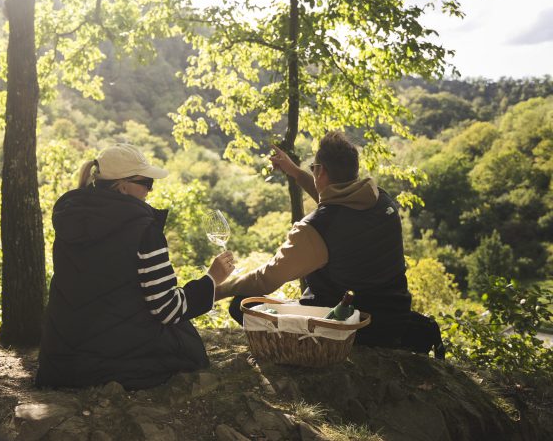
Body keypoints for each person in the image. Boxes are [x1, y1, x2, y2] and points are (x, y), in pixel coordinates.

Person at [216, 131, 440, 353]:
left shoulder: (316, 229)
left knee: (243, 304)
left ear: (321, 171)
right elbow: (336, 205)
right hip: (393, 321)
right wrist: (296, 172)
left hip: (346, 325)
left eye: (314, 168)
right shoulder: (381, 201)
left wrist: (214, 291)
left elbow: (265, 279)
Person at [36, 143, 236, 390]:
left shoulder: (72, 218)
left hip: (60, 358)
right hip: (110, 357)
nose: (150, 191)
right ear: (122, 186)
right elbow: (167, 309)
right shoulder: (144, 229)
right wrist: (211, 279)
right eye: (147, 183)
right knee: (184, 337)